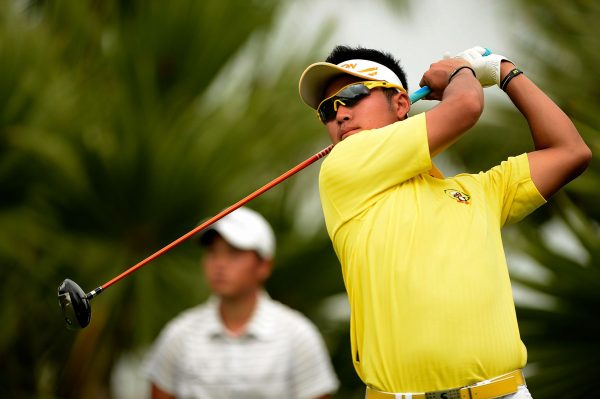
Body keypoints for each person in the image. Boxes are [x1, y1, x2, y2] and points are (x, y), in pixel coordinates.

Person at [297, 45, 591, 399]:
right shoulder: (342, 166)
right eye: (327, 109)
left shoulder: (479, 191)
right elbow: (466, 106)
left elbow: (571, 152)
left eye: (353, 94)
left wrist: (504, 72)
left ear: (402, 104)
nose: (340, 113)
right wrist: (461, 71)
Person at [144, 206, 339, 399]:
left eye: (234, 252)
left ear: (264, 265)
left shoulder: (298, 336)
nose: (219, 263)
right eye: (212, 252)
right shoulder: (179, 335)